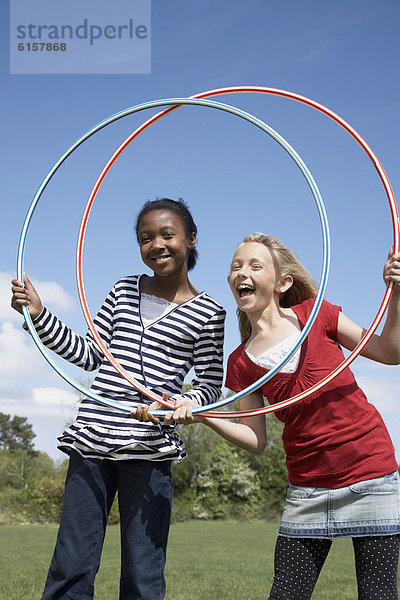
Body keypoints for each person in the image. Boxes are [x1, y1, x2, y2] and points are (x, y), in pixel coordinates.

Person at [149, 233, 400, 600]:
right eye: (235, 266)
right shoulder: (240, 363)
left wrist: (394, 294)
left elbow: (389, 352)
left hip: (371, 474)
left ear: (282, 283)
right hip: (308, 487)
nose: (241, 273)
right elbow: (256, 440)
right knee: (285, 594)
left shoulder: (317, 314)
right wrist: (204, 416)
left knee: (378, 594)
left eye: (254, 265)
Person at [10, 197, 226, 600]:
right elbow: (91, 353)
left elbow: (210, 385)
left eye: (167, 235)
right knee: (70, 564)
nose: (157, 245)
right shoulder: (124, 289)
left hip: (149, 447)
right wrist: (38, 314)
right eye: (146, 238)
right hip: (93, 439)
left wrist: (181, 403)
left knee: (144, 575)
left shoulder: (209, 312)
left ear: (191, 239)